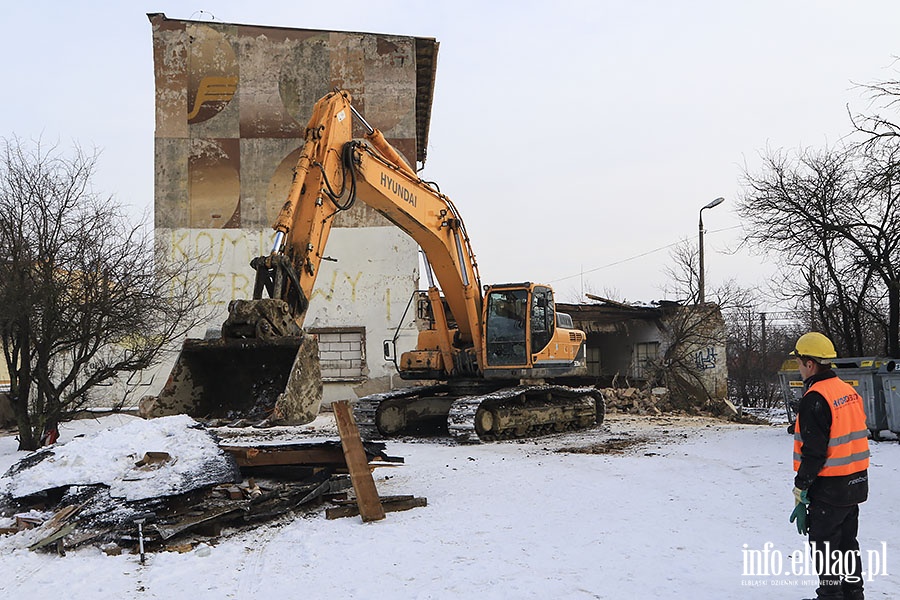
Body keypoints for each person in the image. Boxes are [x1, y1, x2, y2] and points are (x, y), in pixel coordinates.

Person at [789, 332, 870, 600]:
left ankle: (831, 596)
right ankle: (853, 594)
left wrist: (801, 486)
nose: (799, 368)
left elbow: (814, 452)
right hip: (855, 482)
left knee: (825, 547)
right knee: (848, 544)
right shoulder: (847, 391)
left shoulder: (815, 397)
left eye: (799, 362)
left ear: (810, 364)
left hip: (830, 486)